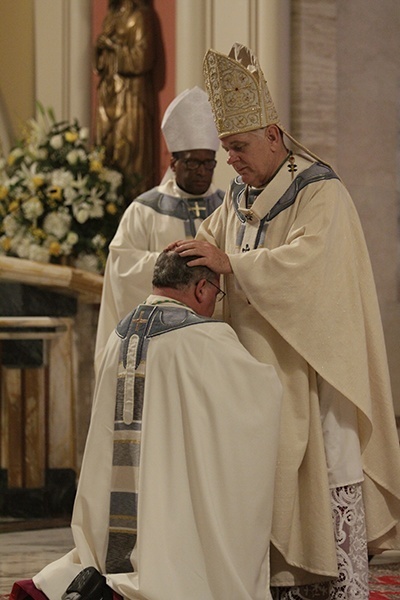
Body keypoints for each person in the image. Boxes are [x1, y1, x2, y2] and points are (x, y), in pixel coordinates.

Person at [169, 43, 400, 599]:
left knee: (324, 466)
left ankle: (331, 585)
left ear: (274, 135)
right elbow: (213, 244)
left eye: (240, 147)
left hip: (314, 369)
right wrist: (186, 265)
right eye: (226, 150)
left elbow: (310, 269)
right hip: (256, 376)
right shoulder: (242, 195)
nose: (233, 161)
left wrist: (234, 265)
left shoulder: (322, 191)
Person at [10, 251, 282, 600]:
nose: (215, 302)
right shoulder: (204, 338)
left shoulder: (120, 332)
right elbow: (260, 396)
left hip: (121, 501)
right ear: (201, 289)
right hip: (170, 498)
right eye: (217, 293)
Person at [94, 86, 224, 371]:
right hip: (160, 346)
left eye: (209, 163)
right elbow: (121, 267)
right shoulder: (144, 209)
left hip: (217, 338)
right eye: (193, 162)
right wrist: (181, 267)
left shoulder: (227, 207)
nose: (202, 170)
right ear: (174, 163)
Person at [95, 0, 156, 198]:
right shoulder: (111, 17)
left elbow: (143, 58)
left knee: (128, 148)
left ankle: (130, 201)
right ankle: (108, 203)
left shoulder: (139, 16)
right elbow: (101, 63)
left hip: (130, 94)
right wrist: (101, 49)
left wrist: (113, 46)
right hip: (109, 92)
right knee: (107, 145)